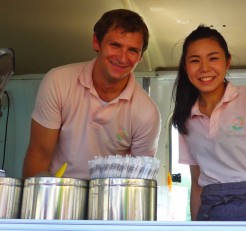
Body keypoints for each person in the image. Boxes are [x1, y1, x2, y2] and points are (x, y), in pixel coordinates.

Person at [172, 25, 246, 221]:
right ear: (186, 68)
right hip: (210, 213)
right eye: (195, 60)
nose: (204, 68)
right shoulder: (185, 116)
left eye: (213, 58)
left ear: (227, 62)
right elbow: (196, 183)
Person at [22, 9, 161, 180]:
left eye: (132, 50)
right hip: (58, 195)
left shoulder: (147, 113)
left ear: (140, 57)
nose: (123, 58)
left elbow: (139, 179)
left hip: (109, 200)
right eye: (115, 45)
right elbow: (40, 155)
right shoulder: (58, 81)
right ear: (96, 42)